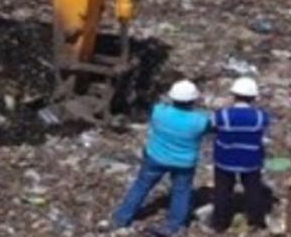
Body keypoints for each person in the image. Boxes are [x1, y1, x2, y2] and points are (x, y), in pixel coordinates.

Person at [112, 79, 211, 236]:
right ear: (193, 100)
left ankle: (121, 219)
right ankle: (173, 226)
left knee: (141, 186)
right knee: (181, 192)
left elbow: (154, 108)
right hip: (184, 163)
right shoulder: (200, 120)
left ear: (172, 97)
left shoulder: (159, 111)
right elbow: (211, 128)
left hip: (156, 157)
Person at [211, 77, 271, 233]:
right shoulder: (261, 116)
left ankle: (219, 223)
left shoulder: (222, 115)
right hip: (251, 159)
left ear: (234, 95)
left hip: (225, 159)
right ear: (253, 97)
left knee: (222, 191)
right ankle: (257, 221)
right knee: (253, 191)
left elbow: (213, 127)